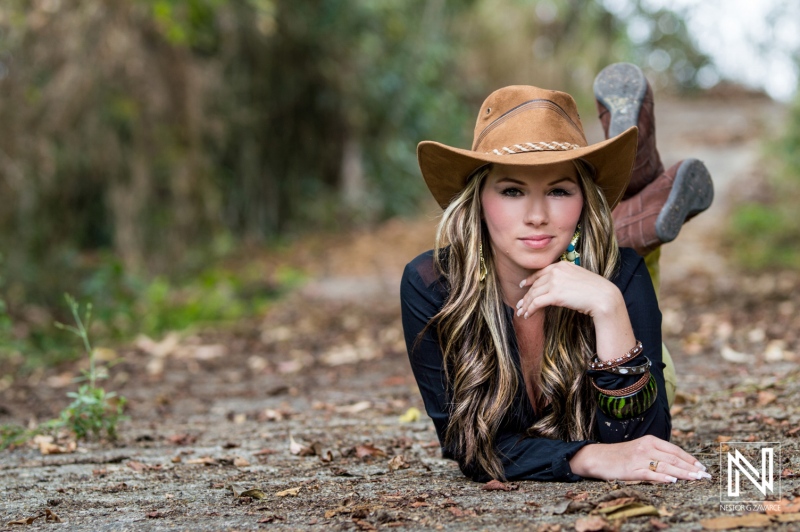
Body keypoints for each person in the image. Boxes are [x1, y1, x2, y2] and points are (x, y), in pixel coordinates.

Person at [400, 66, 713, 483]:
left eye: (559, 191)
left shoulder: (620, 279)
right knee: (618, 250)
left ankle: (633, 213)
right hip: (591, 245)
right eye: (512, 191)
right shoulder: (433, 285)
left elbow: (643, 442)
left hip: (637, 350)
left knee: (628, 267)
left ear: (584, 200)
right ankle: (635, 207)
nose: (536, 216)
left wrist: (610, 308)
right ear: (477, 201)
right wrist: (587, 458)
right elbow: (470, 447)